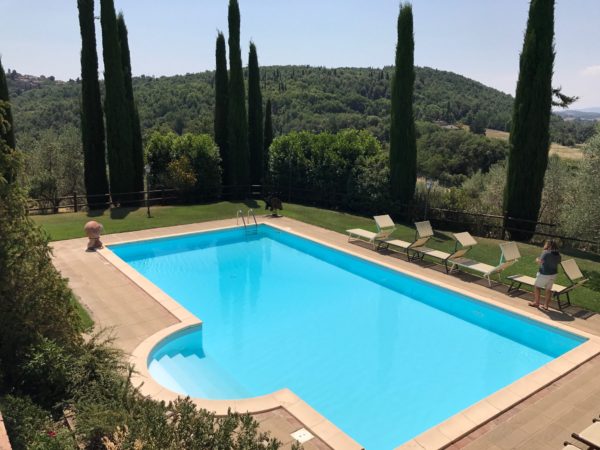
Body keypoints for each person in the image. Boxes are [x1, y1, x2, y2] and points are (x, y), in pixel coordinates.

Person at [529, 240, 561, 310]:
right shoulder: (558, 255)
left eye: (546, 244)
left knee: (537, 287)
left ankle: (536, 302)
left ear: (548, 245)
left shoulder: (546, 252)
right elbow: (558, 262)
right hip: (553, 274)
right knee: (548, 290)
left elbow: (540, 261)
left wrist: (537, 259)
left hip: (544, 274)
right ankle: (546, 305)